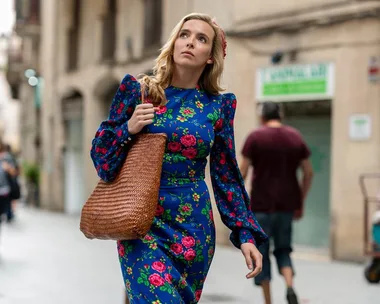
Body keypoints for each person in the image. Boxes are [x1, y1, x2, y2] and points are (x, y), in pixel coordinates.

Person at [91, 12, 268, 303]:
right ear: (174, 43)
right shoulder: (138, 92)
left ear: (210, 56)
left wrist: (245, 234)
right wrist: (129, 128)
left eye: (201, 39)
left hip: (193, 227)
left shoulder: (219, 106)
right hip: (141, 221)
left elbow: (226, 175)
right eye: (184, 35)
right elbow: (102, 160)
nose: (190, 43)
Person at [240, 102, 314, 304]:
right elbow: (308, 173)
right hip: (287, 206)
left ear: (262, 117)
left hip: (261, 206)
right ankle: (290, 287)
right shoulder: (295, 137)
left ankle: (268, 301)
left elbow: (242, 173)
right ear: (280, 115)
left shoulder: (255, 137)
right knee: (283, 249)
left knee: (261, 254)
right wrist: (301, 200)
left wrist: (240, 207)